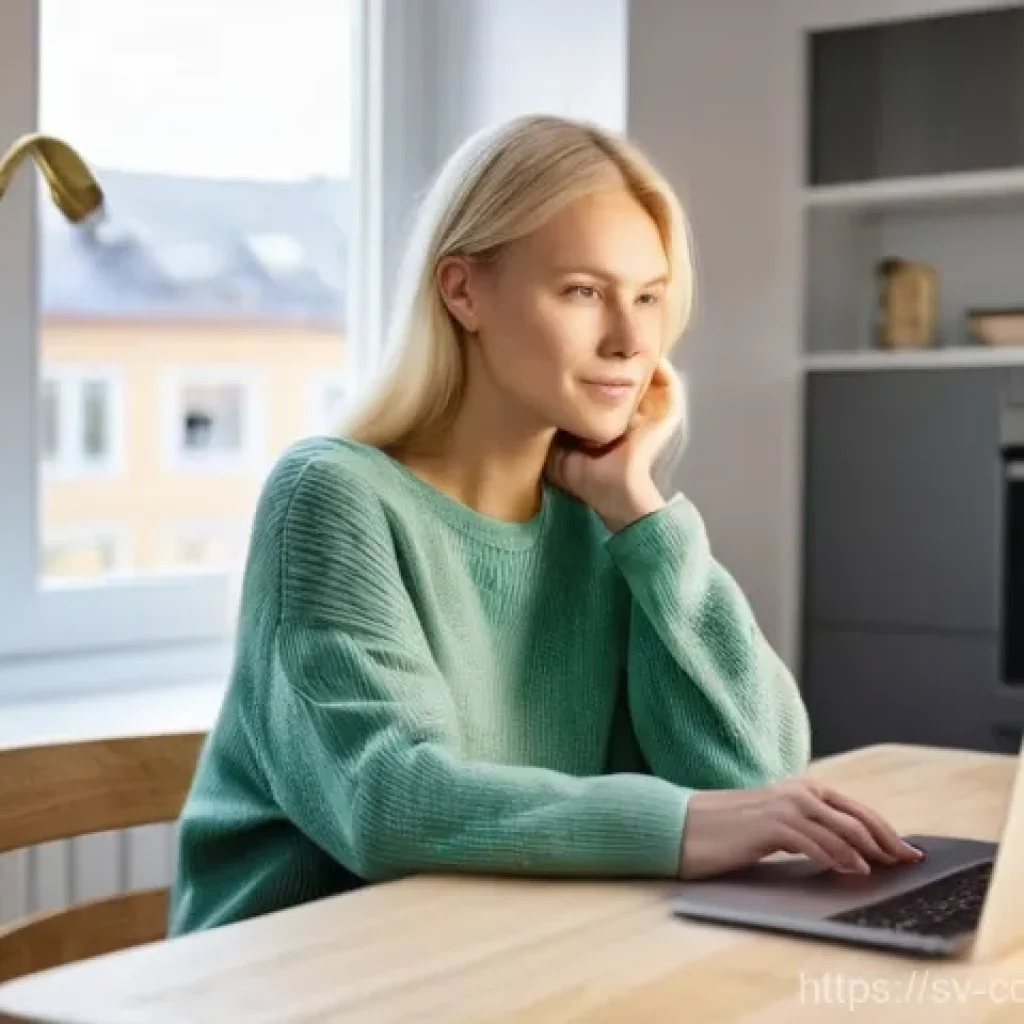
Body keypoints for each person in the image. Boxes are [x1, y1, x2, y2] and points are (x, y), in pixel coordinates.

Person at [167, 114, 921, 936]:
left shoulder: (606, 524)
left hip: (495, 959)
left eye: (649, 298)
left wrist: (641, 513)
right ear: (463, 291)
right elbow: (385, 801)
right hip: (295, 980)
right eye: (583, 292)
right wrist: (681, 824)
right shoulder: (333, 496)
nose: (632, 340)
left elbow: (755, 771)